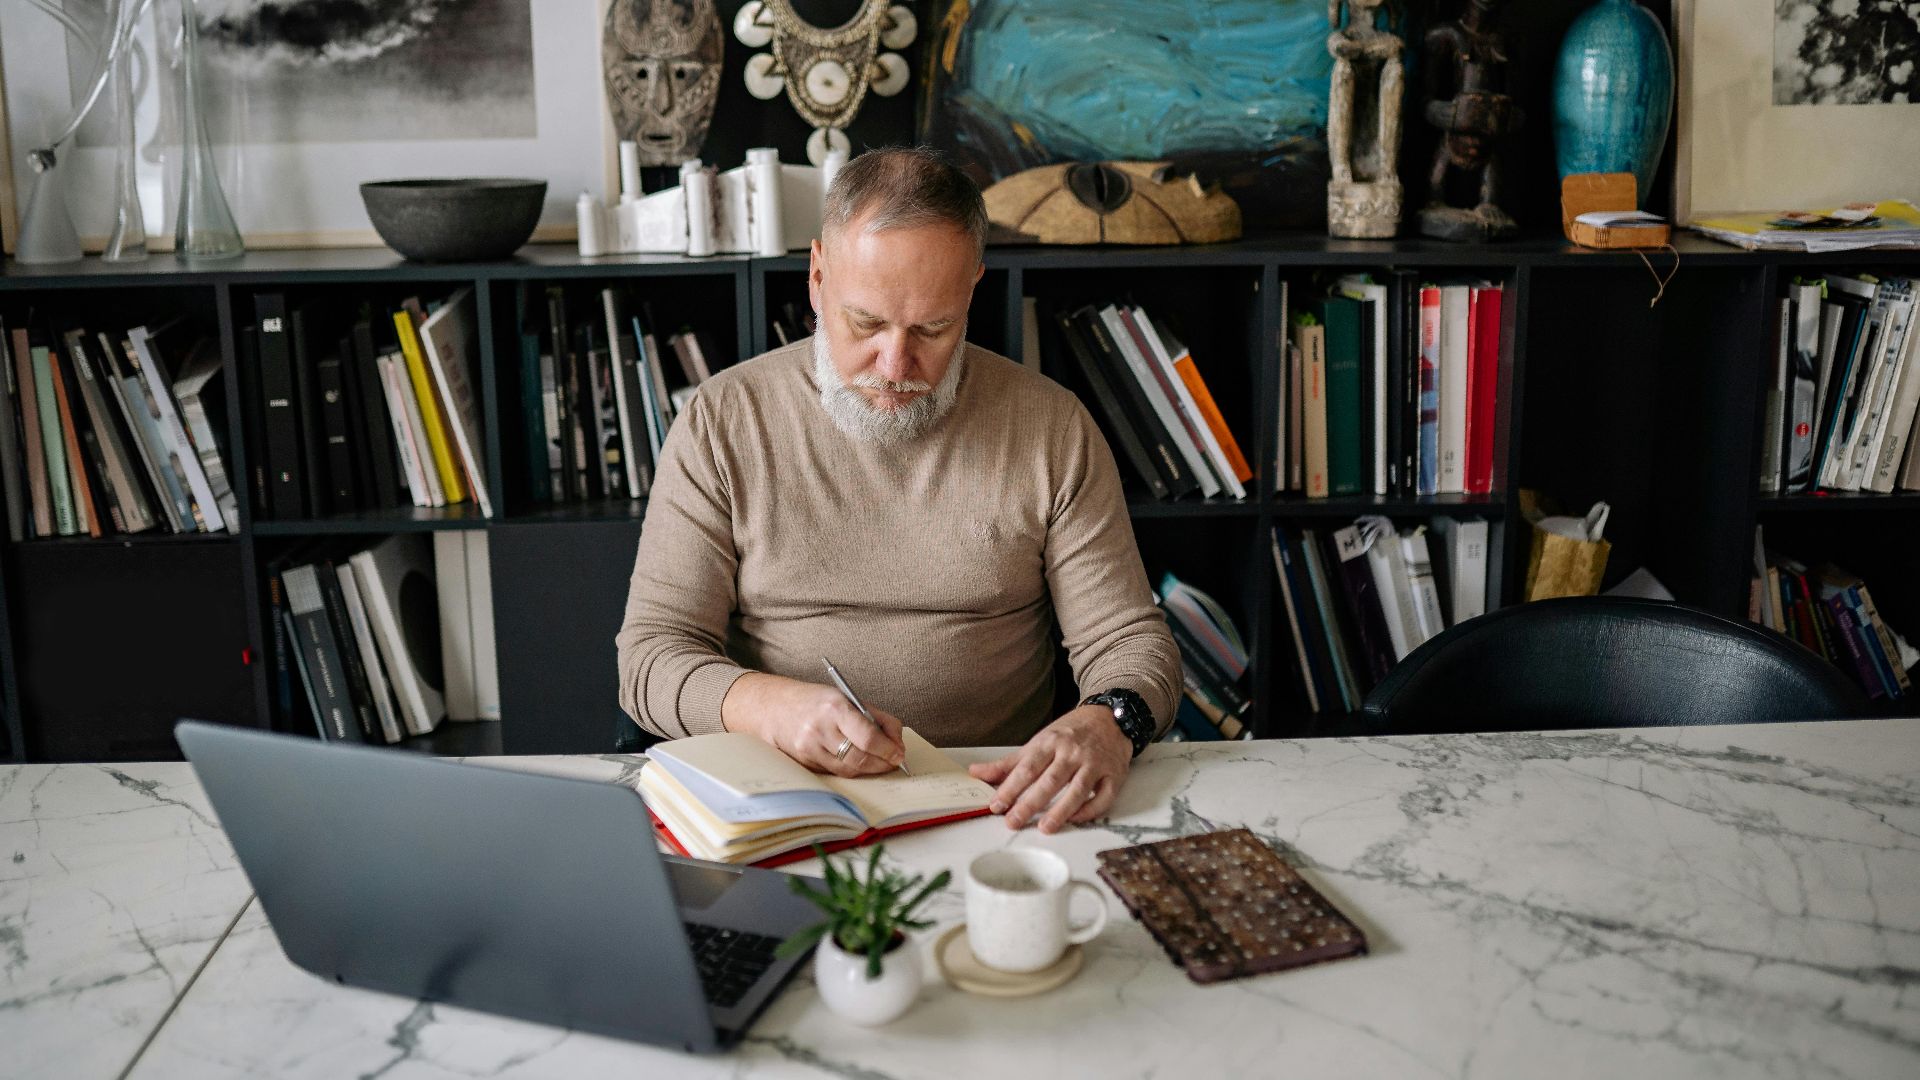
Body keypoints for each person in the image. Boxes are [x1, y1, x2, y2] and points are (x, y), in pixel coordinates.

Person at [617, 147, 1180, 834]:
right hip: (783, 796)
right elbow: (649, 657)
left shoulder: (1051, 426)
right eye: (866, 323)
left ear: (972, 286)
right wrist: (771, 707)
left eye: (933, 329)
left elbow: (1128, 641)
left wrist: (1107, 723)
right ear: (819, 277)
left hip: (997, 800)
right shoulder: (723, 421)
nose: (895, 365)